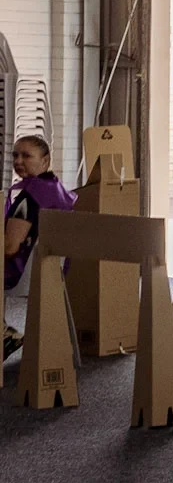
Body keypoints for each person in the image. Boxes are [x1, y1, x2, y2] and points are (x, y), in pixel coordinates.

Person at [4, 136, 76, 360]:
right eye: (15, 155)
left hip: (24, 272)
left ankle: (6, 335)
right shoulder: (55, 189)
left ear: (45, 161)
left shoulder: (29, 198)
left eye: (26, 155)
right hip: (54, 268)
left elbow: (9, 247)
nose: (18, 161)